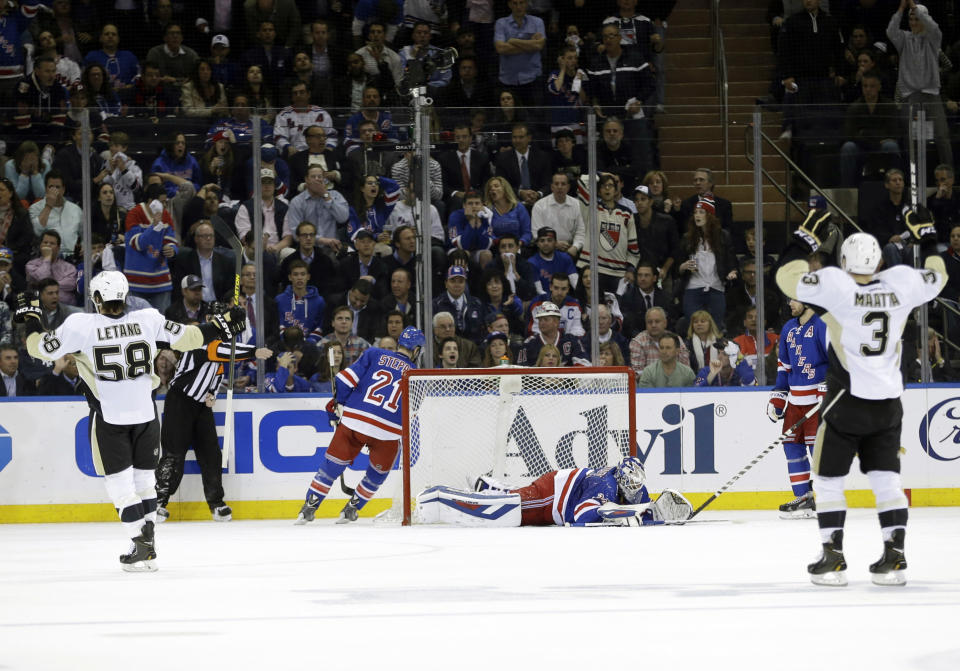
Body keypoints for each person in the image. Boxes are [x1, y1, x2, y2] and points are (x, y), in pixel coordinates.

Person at [13, 271, 246, 571]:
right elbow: (191, 338)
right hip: (146, 414)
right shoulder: (148, 319)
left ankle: (140, 541)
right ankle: (148, 546)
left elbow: (39, 347)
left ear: (96, 299)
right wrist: (222, 325)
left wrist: (32, 318)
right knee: (145, 483)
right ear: (123, 297)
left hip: (110, 416)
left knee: (119, 485)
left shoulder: (81, 326)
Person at [775, 205, 946, 586]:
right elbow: (939, 276)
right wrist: (929, 237)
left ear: (844, 259)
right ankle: (895, 557)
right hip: (889, 402)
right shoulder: (900, 282)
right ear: (881, 260)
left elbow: (786, 277)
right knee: (887, 480)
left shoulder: (838, 286)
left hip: (847, 398)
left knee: (828, 480)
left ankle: (832, 556)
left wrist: (804, 238)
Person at [295, 326, 425, 524]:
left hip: (355, 421)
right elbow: (412, 412)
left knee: (330, 468)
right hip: (388, 432)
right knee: (376, 475)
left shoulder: (374, 353)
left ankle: (308, 509)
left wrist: (341, 404)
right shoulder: (418, 375)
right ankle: (351, 509)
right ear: (416, 350)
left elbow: (344, 380)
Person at [156, 325, 272, 523]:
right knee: (173, 455)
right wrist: (253, 351)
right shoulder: (199, 341)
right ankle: (158, 502)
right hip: (180, 403)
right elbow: (217, 352)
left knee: (211, 454)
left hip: (201, 406)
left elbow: (216, 373)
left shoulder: (219, 348)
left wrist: (212, 392)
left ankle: (216, 503)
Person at [419, 456, 692, 527]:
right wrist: (621, 514)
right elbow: (581, 516)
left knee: (518, 496)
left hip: (562, 482)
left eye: (637, 486)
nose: (635, 491)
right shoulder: (605, 486)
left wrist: (650, 513)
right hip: (554, 494)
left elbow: (640, 507)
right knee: (510, 509)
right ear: (620, 480)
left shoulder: (629, 484)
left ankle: (487, 484)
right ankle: (447, 496)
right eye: (630, 486)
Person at [767, 298, 829, 519]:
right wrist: (779, 396)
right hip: (796, 402)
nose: (789, 303)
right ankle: (804, 497)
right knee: (792, 448)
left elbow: (837, 360)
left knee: (818, 451)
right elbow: (784, 366)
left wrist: (827, 389)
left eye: (794, 298)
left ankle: (826, 498)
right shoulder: (788, 328)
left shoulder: (823, 324)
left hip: (816, 401)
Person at [516, 301, 589, 366]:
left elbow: (584, 364)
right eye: (540, 320)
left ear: (556, 322)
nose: (542, 323)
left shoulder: (571, 341)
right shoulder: (529, 344)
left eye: (546, 319)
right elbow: (521, 370)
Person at [25, 230, 77, 306]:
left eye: (52, 243)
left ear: (58, 248)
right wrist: (47, 258)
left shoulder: (69, 268)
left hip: (66, 307)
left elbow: (71, 285)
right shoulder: (31, 265)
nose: (48, 245)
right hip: (40, 307)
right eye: (45, 242)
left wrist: (46, 285)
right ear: (40, 245)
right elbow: (44, 278)